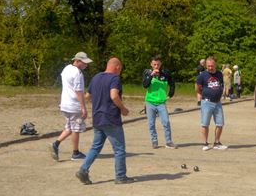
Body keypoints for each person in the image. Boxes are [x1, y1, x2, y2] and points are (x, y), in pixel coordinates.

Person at [75, 57, 133, 185]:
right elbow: (114, 95)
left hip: (97, 118)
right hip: (111, 118)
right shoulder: (115, 78)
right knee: (119, 149)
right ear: (117, 67)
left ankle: (83, 170)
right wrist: (123, 109)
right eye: (120, 69)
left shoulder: (96, 77)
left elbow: (87, 96)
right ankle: (120, 176)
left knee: (95, 147)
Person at [50, 52, 92, 161]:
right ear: (77, 61)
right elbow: (78, 91)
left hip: (65, 104)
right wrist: (83, 107)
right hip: (74, 105)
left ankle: (55, 144)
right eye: (84, 63)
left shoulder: (66, 68)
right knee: (76, 129)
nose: (86, 65)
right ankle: (75, 153)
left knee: (69, 127)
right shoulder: (78, 73)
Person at [142, 56, 176, 149]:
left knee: (166, 122)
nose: (156, 66)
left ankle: (168, 142)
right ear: (151, 64)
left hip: (161, 102)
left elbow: (172, 83)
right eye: (154, 64)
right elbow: (145, 85)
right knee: (151, 123)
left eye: (158, 64)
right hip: (150, 101)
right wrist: (151, 75)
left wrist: (171, 93)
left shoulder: (166, 73)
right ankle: (154, 141)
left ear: (161, 64)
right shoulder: (147, 72)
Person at [196, 57, 228, 150]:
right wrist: (200, 97)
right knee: (205, 124)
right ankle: (205, 143)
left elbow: (221, 84)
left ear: (215, 65)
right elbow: (197, 88)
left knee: (220, 123)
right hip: (206, 102)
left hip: (218, 102)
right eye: (208, 66)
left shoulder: (219, 74)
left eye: (212, 66)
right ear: (206, 65)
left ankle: (217, 143)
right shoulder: (202, 75)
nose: (210, 67)